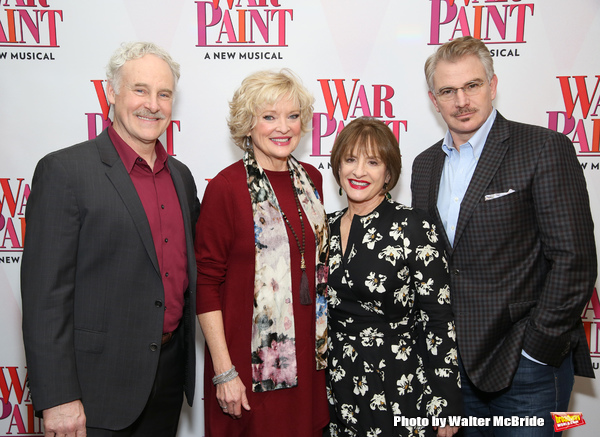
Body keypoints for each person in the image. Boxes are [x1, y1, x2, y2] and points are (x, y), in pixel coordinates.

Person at [411, 36, 597, 436]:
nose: (461, 100)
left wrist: (536, 350)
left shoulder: (543, 147)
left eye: (472, 85)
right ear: (433, 98)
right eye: (448, 91)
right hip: (452, 371)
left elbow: (575, 259)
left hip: (524, 369)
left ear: (492, 85)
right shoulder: (424, 166)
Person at [21, 42, 200, 437]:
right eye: (140, 90)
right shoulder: (65, 172)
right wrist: (57, 397)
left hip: (168, 381)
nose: (152, 104)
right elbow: (44, 298)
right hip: (92, 392)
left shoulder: (182, 178)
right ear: (111, 94)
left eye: (164, 94)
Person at [195, 69, 329, 437]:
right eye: (268, 117)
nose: (282, 127)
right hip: (248, 367)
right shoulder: (226, 187)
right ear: (247, 126)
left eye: (292, 115)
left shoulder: (312, 180)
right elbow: (206, 285)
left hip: (310, 361)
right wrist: (224, 372)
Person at [326, 117, 462, 437]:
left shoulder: (413, 226)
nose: (359, 171)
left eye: (372, 162)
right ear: (337, 166)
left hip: (399, 385)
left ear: (388, 173)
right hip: (337, 383)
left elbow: (438, 318)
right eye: (350, 159)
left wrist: (446, 403)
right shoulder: (324, 226)